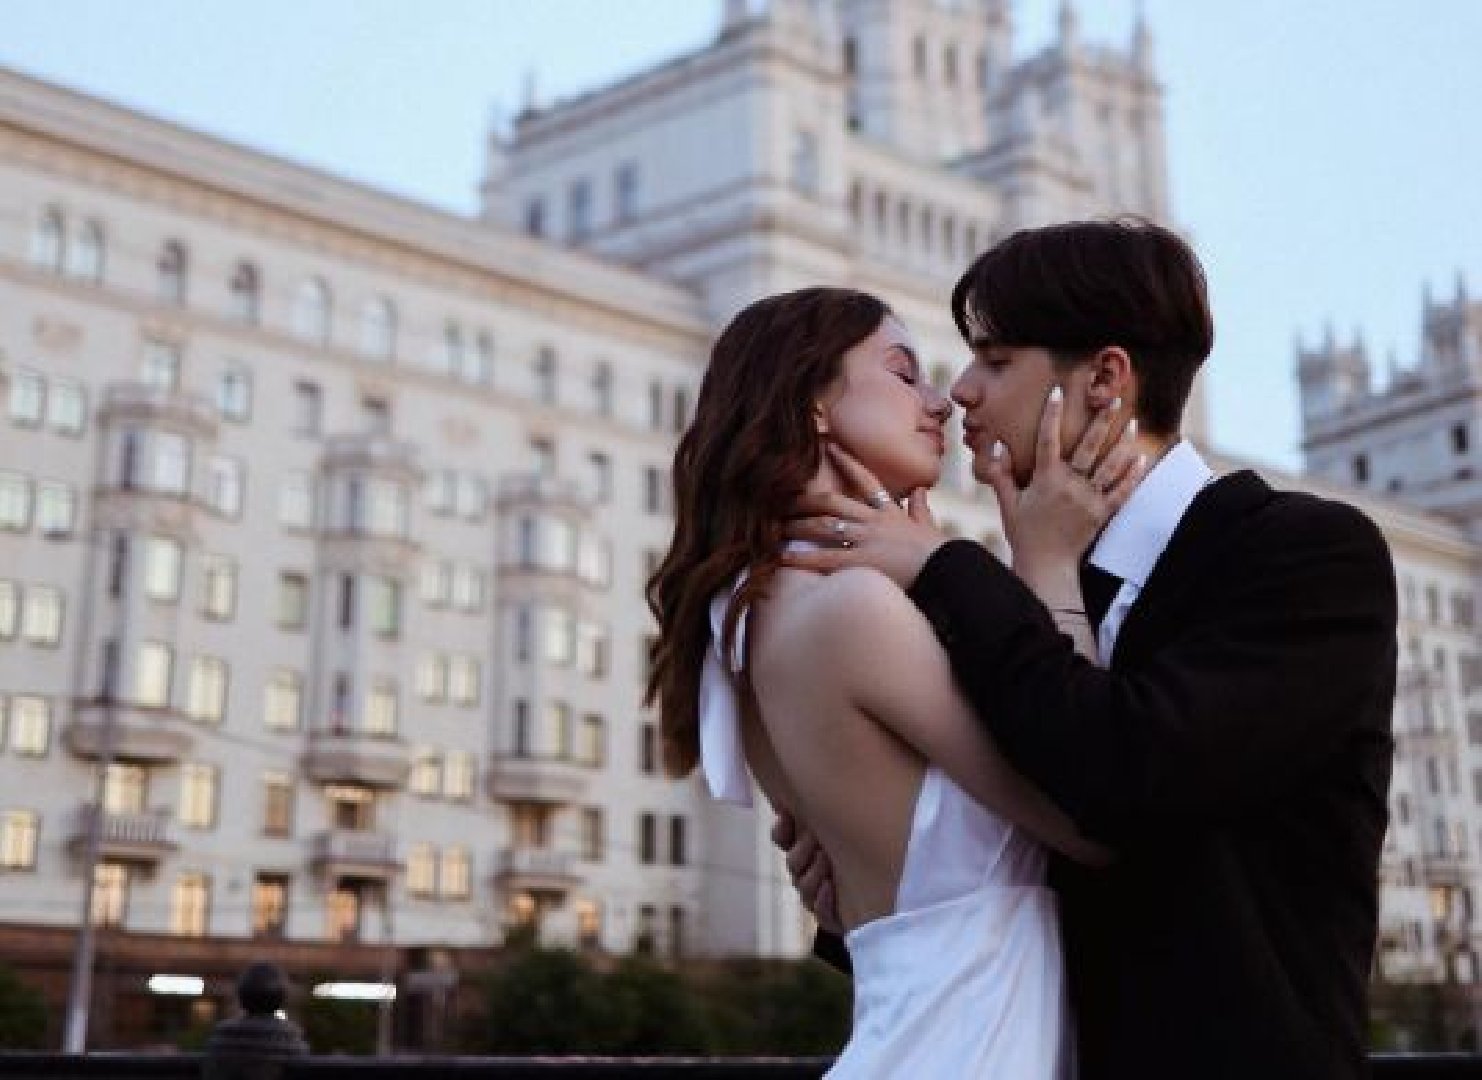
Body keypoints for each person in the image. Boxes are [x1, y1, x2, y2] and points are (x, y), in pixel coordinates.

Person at [783, 219, 1398, 1079]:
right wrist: (865, 879)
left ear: (1105, 378)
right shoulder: (1005, 599)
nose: (960, 391)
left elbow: (1126, 776)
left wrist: (949, 568)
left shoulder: (1302, 554)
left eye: (996, 360)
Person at [644, 287, 1142, 1076]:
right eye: (904, 373)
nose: (939, 402)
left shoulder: (747, 621)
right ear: (812, 401)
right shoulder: (853, 610)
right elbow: (1093, 810)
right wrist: (1047, 563)